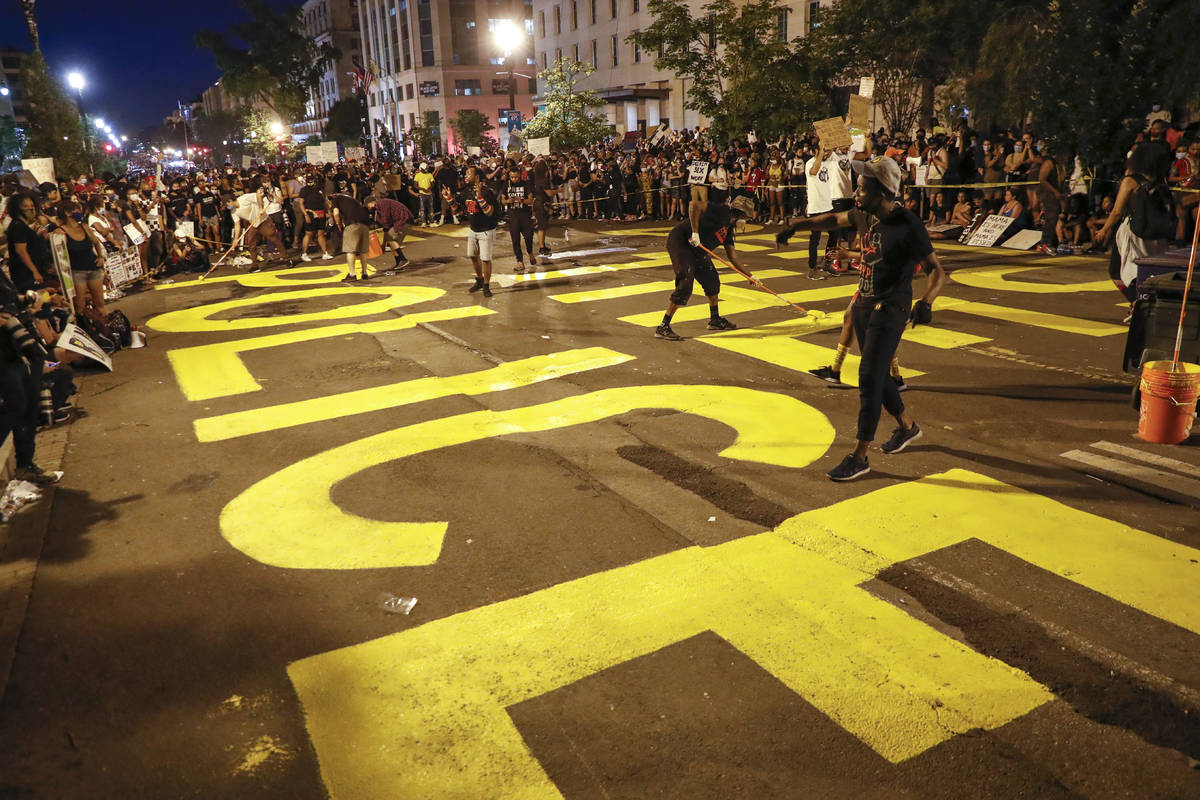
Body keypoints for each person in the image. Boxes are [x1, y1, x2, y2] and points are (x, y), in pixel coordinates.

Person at [775, 156, 946, 481]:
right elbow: (831, 219)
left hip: (890, 310)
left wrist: (927, 301)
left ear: (882, 192)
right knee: (878, 377)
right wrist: (796, 225)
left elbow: (937, 271)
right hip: (864, 307)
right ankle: (907, 427)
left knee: (868, 379)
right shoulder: (864, 215)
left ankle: (860, 455)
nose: (856, 191)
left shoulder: (908, 224)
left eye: (863, 187)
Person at [654, 194, 755, 341]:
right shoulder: (721, 211)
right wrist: (695, 233)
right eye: (747, 218)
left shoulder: (728, 229)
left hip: (698, 250)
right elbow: (693, 205)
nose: (746, 222)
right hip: (681, 242)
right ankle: (663, 326)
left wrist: (749, 276)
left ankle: (715, 319)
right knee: (685, 282)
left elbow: (733, 257)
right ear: (740, 214)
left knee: (712, 281)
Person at [1095, 142, 1173, 315]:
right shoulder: (1160, 181)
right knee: (1151, 270)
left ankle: (1139, 303)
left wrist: (1104, 229)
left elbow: (1117, 211)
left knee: (1117, 271)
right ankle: (1148, 304)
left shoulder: (1130, 182)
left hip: (1134, 231)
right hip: (1156, 234)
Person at [51, 201, 107, 317]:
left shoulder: (84, 226)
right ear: (67, 213)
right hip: (77, 272)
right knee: (79, 306)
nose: (80, 213)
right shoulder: (61, 231)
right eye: (77, 210)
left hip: (94, 268)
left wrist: (100, 257)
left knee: (100, 303)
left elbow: (96, 242)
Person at [460, 166, 499, 297]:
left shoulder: (488, 192)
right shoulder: (466, 191)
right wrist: (449, 199)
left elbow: (490, 212)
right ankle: (480, 280)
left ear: (476, 177)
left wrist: (480, 197)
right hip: (473, 229)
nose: (465, 176)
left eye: (468, 174)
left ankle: (487, 286)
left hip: (486, 230)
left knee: (485, 259)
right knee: (472, 255)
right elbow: (458, 211)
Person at [330, 190, 372, 281]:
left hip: (353, 225)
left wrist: (339, 225)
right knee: (362, 251)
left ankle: (352, 274)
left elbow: (336, 213)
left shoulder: (336, 200)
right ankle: (364, 273)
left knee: (350, 251)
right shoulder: (354, 200)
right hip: (365, 226)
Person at [364, 194, 413, 271]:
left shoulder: (382, 204)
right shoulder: (378, 208)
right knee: (390, 240)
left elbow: (385, 221)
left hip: (403, 221)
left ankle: (403, 260)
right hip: (399, 221)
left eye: (368, 205)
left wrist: (377, 221)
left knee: (391, 238)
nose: (368, 208)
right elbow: (386, 227)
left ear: (372, 202)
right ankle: (399, 262)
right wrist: (383, 245)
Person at [503, 165, 537, 272]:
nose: (514, 179)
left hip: (525, 215)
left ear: (520, 175)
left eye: (516, 177)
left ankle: (530, 252)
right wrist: (508, 201)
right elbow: (502, 200)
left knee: (528, 236)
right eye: (512, 177)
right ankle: (519, 261)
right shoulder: (506, 185)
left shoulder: (526, 184)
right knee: (515, 239)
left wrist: (521, 200)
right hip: (513, 216)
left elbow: (531, 200)